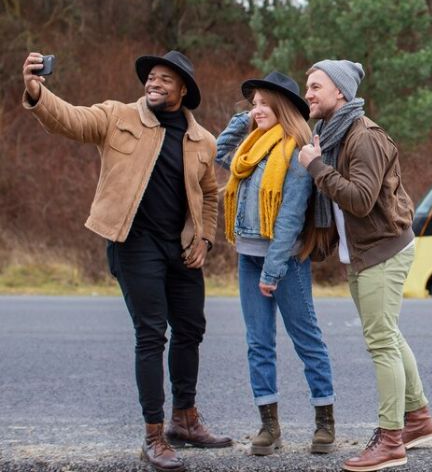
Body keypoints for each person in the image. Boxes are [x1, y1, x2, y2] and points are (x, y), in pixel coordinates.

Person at [21, 51, 230, 472]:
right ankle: (154, 435)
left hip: (181, 248)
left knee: (191, 327)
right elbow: (71, 119)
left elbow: (210, 194)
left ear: (183, 89)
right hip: (133, 244)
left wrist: (205, 238)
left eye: (164, 79)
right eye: (150, 77)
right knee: (152, 333)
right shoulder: (117, 116)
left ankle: (184, 420)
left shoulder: (202, 141)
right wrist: (37, 92)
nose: (153, 83)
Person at [297, 60, 432, 472]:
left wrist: (316, 167)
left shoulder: (363, 138)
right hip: (363, 251)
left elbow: (359, 199)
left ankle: (392, 439)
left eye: (316, 86)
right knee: (388, 335)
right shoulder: (331, 134)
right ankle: (419, 420)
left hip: (384, 249)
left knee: (380, 341)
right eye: (308, 86)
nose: (309, 93)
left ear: (339, 92)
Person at [214, 71, 336, 456]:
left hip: (285, 261)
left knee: (306, 339)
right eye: (254, 104)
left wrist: (272, 270)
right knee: (258, 343)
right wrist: (245, 119)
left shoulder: (297, 151)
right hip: (248, 258)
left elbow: (289, 217)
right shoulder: (250, 147)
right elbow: (220, 151)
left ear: (282, 107)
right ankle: (269, 426)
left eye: (265, 103)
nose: (257, 110)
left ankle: (325, 422)